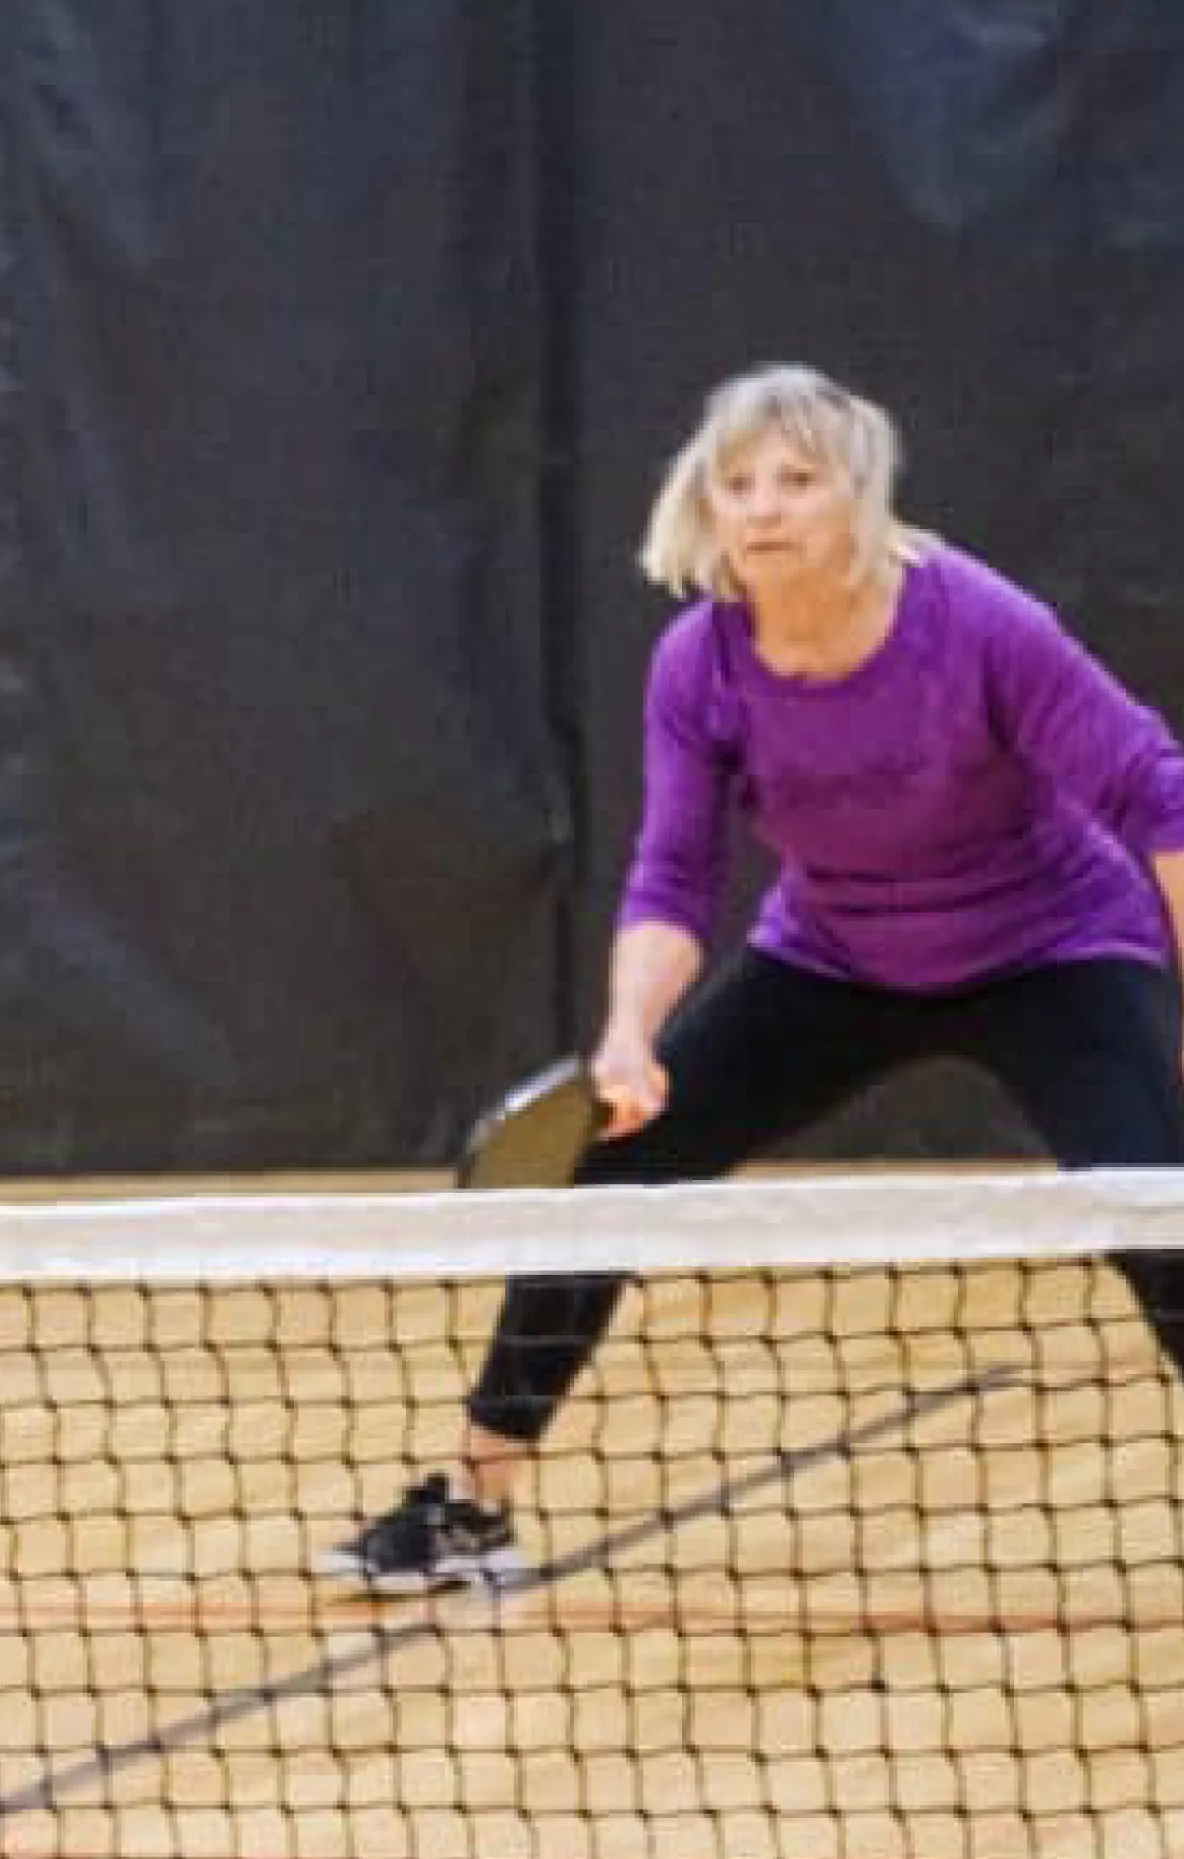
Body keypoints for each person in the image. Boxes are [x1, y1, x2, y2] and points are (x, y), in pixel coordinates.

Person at [322, 364, 1184, 1593]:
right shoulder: (702, 661)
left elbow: (1158, 790)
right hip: (834, 955)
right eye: (738, 483)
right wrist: (630, 1035)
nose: (764, 507)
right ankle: (472, 1508)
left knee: (1156, 1216)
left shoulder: (984, 627)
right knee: (608, 1183)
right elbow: (673, 877)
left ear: (862, 496)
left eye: (797, 478)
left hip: (1053, 947)